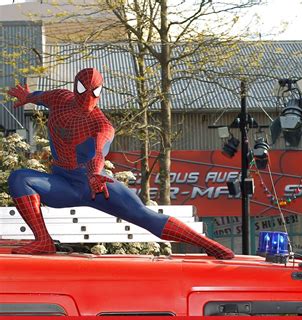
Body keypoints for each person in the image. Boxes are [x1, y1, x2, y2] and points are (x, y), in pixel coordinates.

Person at [6, 67, 234, 259]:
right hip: (62, 183)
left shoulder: (102, 125)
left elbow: (98, 151)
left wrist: (95, 173)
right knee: (19, 179)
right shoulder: (59, 98)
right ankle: (43, 241)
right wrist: (28, 97)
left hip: (97, 186)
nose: (88, 97)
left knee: (144, 215)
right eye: (83, 90)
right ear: (75, 88)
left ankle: (211, 246)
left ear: (101, 92)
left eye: (94, 92)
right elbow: (41, 96)